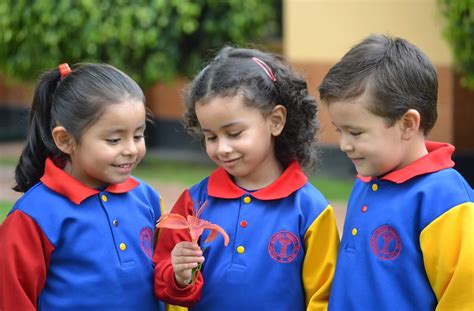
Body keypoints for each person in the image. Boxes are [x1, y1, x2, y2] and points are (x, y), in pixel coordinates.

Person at [153, 46, 340, 310]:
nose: (222, 148)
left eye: (234, 133)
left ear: (275, 121)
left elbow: (323, 297)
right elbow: (165, 285)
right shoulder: (193, 203)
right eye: (211, 136)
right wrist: (178, 277)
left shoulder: (311, 210)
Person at [318, 34, 474, 310]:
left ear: (407, 124)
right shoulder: (366, 181)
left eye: (356, 132)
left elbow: (463, 297)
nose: (343, 145)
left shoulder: (445, 198)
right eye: (339, 130)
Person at [0, 63, 164, 310]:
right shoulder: (33, 216)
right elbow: (13, 299)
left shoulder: (147, 198)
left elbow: (165, 277)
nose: (131, 149)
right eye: (114, 139)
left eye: (138, 135)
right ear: (65, 140)